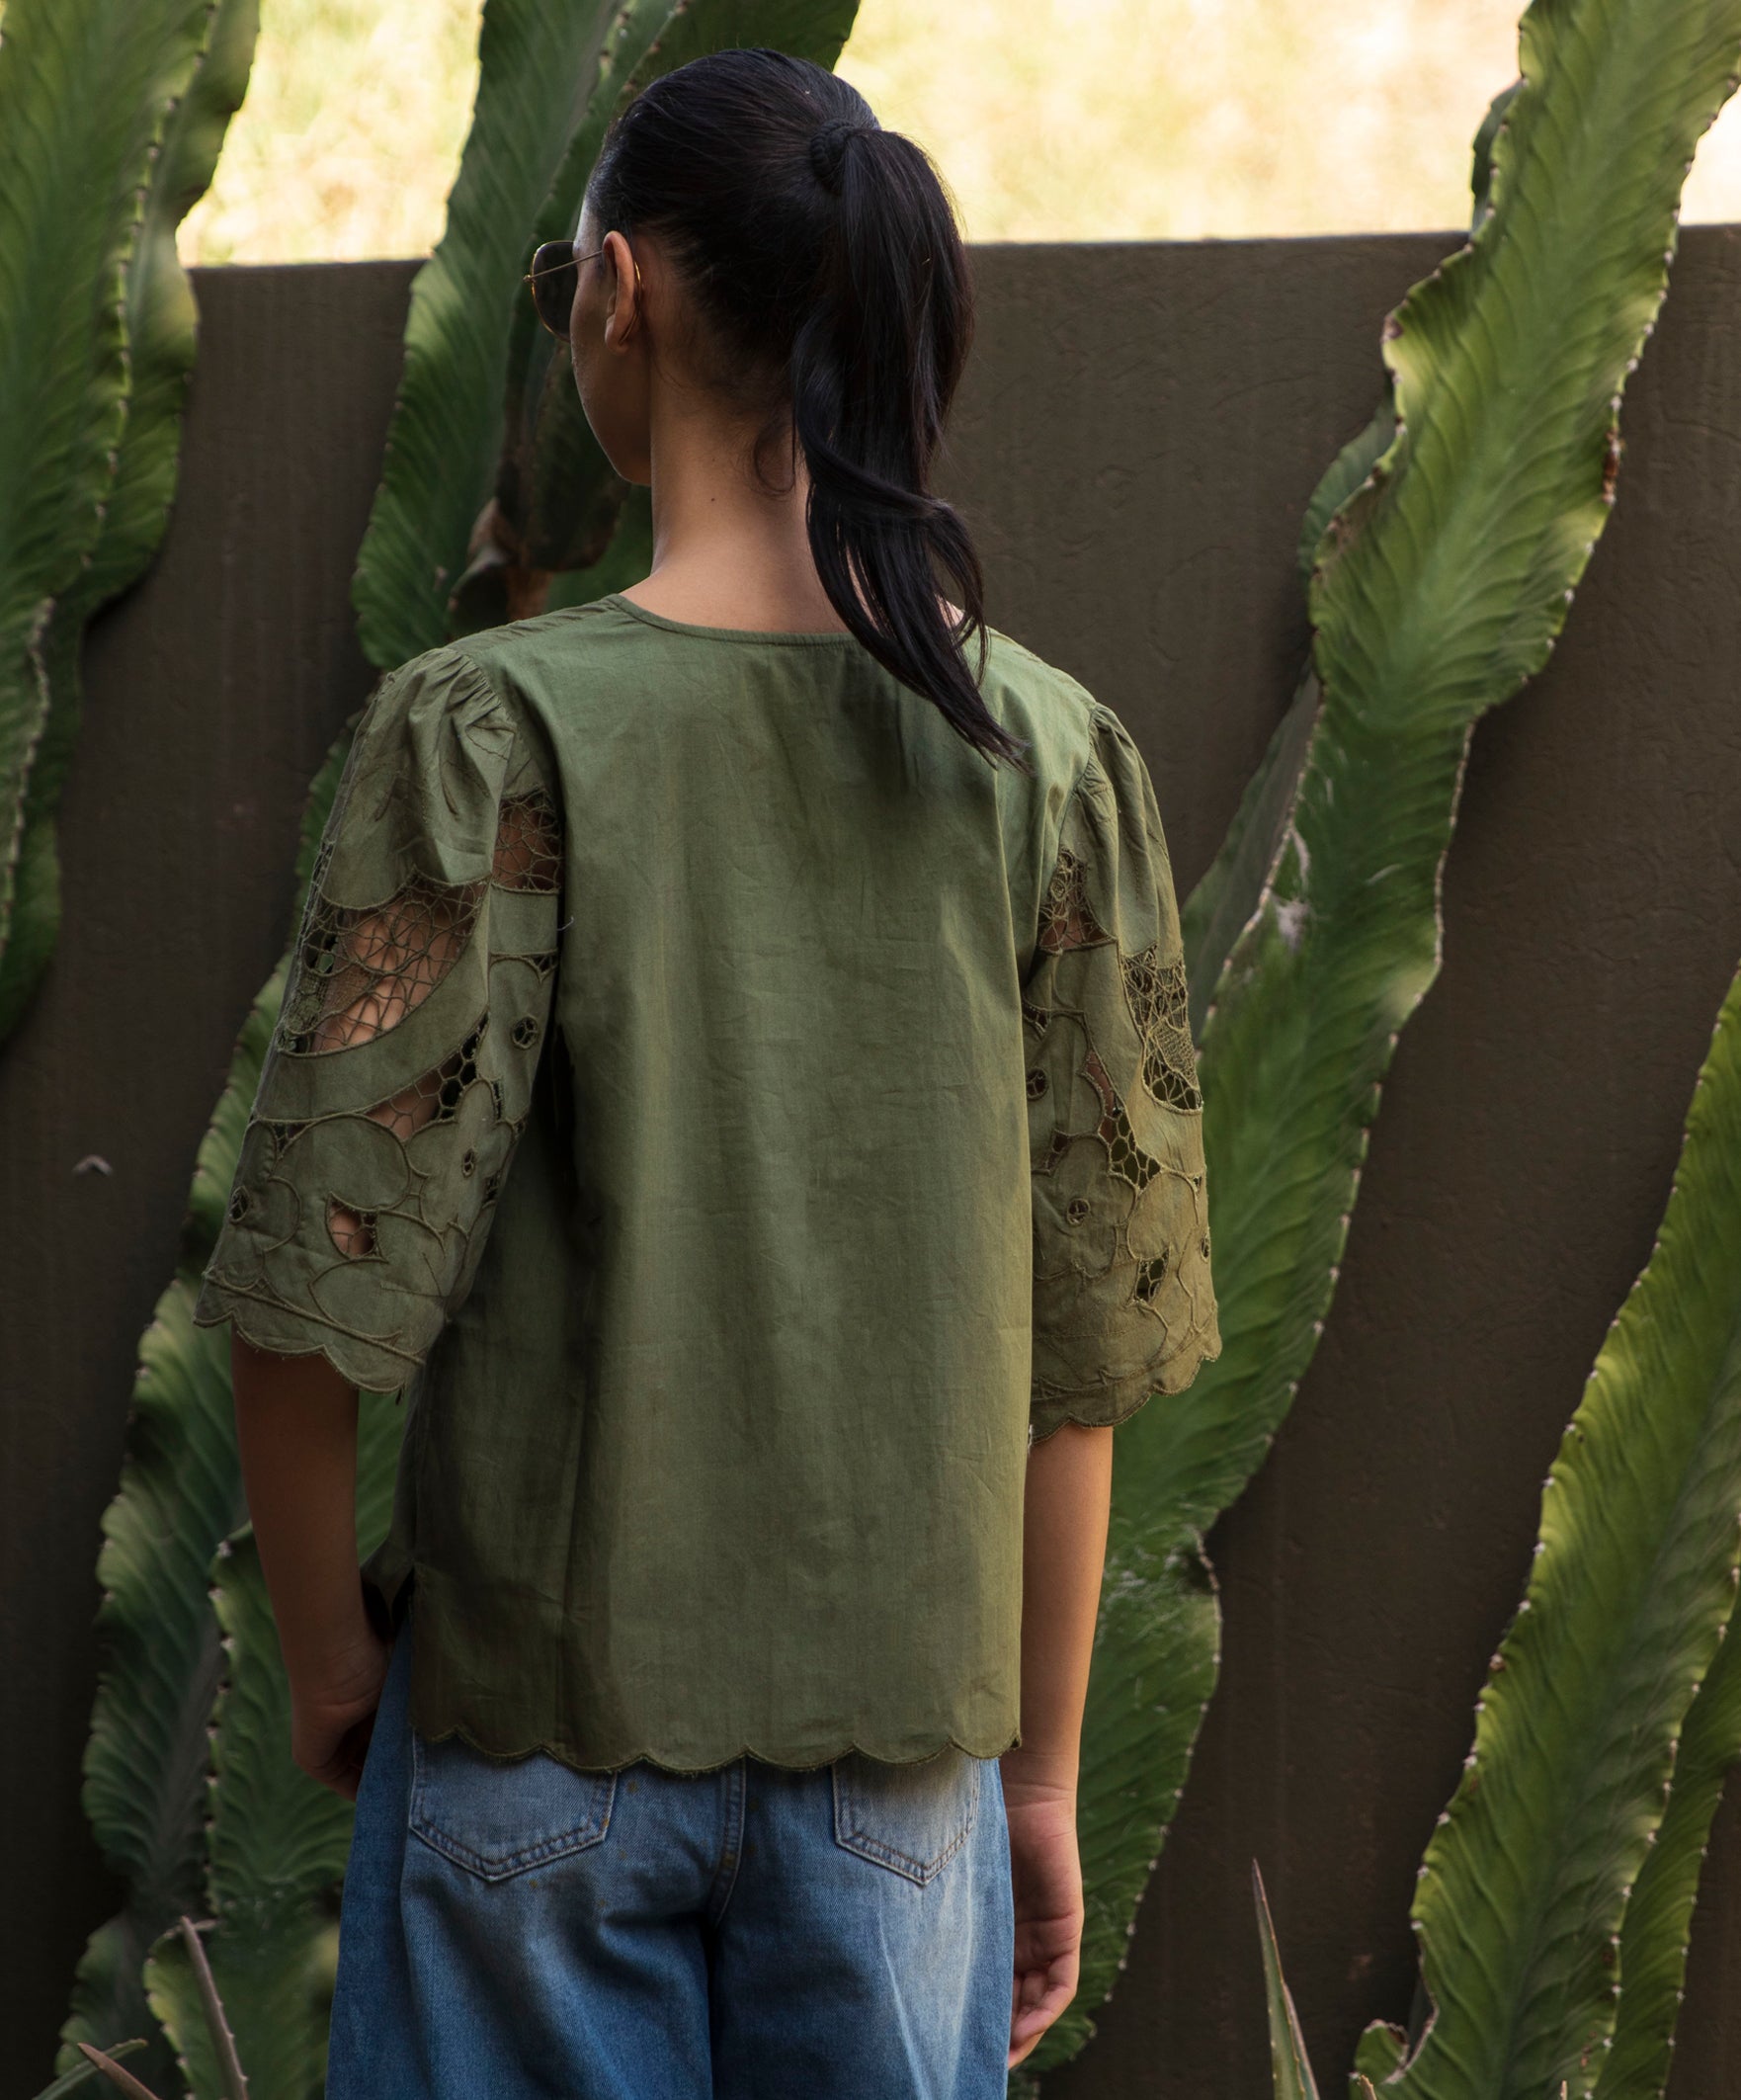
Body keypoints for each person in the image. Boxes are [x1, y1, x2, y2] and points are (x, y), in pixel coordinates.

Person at [194, 45, 1220, 2100]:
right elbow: (1080, 1355)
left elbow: (310, 1292)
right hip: (902, 1778)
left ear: (619, 294)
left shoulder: (483, 731)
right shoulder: (1046, 759)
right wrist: (1037, 1779)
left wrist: (327, 1657)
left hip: (526, 1748)